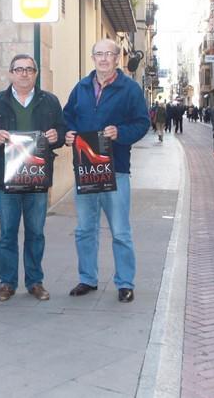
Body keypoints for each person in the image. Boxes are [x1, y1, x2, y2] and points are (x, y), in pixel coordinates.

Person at [64, 38, 151, 303]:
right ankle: (87, 279)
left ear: (116, 58)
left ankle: (125, 283)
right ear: (93, 58)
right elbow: (67, 117)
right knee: (84, 230)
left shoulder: (130, 89)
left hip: (116, 170)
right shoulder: (81, 87)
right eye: (98, 54)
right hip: (86, 169)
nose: (103, 59)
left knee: (121, 232)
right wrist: (68, 133)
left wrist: (120, 132)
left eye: (108, 54)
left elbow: (142, 123)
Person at [0, 54, 66, 301]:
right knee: (7, 233)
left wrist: (56, 137)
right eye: (19, 69)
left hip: (37, 179)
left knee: (36, 233)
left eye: (29, 69)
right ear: (10, 73)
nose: (24, 73)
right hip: (6, 180)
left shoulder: (50, 101)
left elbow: (62, 131)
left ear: (35, 74)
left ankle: (35, 282)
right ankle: (7, 283)